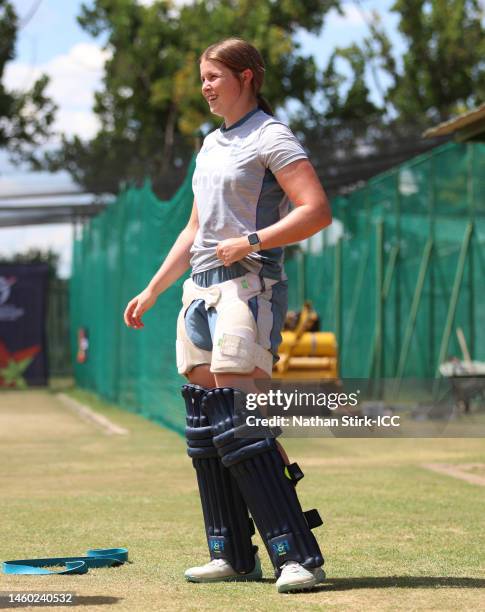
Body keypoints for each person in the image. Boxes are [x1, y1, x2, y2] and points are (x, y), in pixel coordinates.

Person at [124, 37, 332, 594]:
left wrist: (254, 239)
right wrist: (152, 290)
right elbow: (194, 230)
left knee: (242, 421)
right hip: (199, 291)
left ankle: (298, 555)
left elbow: (317, 210)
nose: (206, 87)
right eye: (203, 77)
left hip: (250, 287)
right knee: (205, 424)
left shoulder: (272, 137)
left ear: (246, 77)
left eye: (215, 76)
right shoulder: (211, 145)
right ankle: (233, 555)